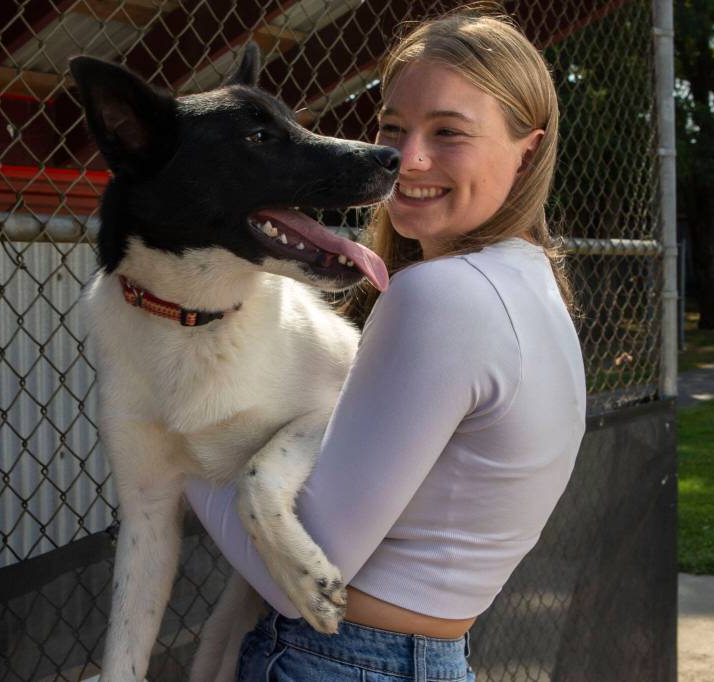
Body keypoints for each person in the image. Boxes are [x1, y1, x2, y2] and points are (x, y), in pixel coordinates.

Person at [186, 7, 586, 681]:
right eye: (394, 128)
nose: (410, 158)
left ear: (528, 149)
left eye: (449, 133)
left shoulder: (443, 296)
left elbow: (304, 574)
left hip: (341, 661)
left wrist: (184, 458)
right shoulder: (536, 284)